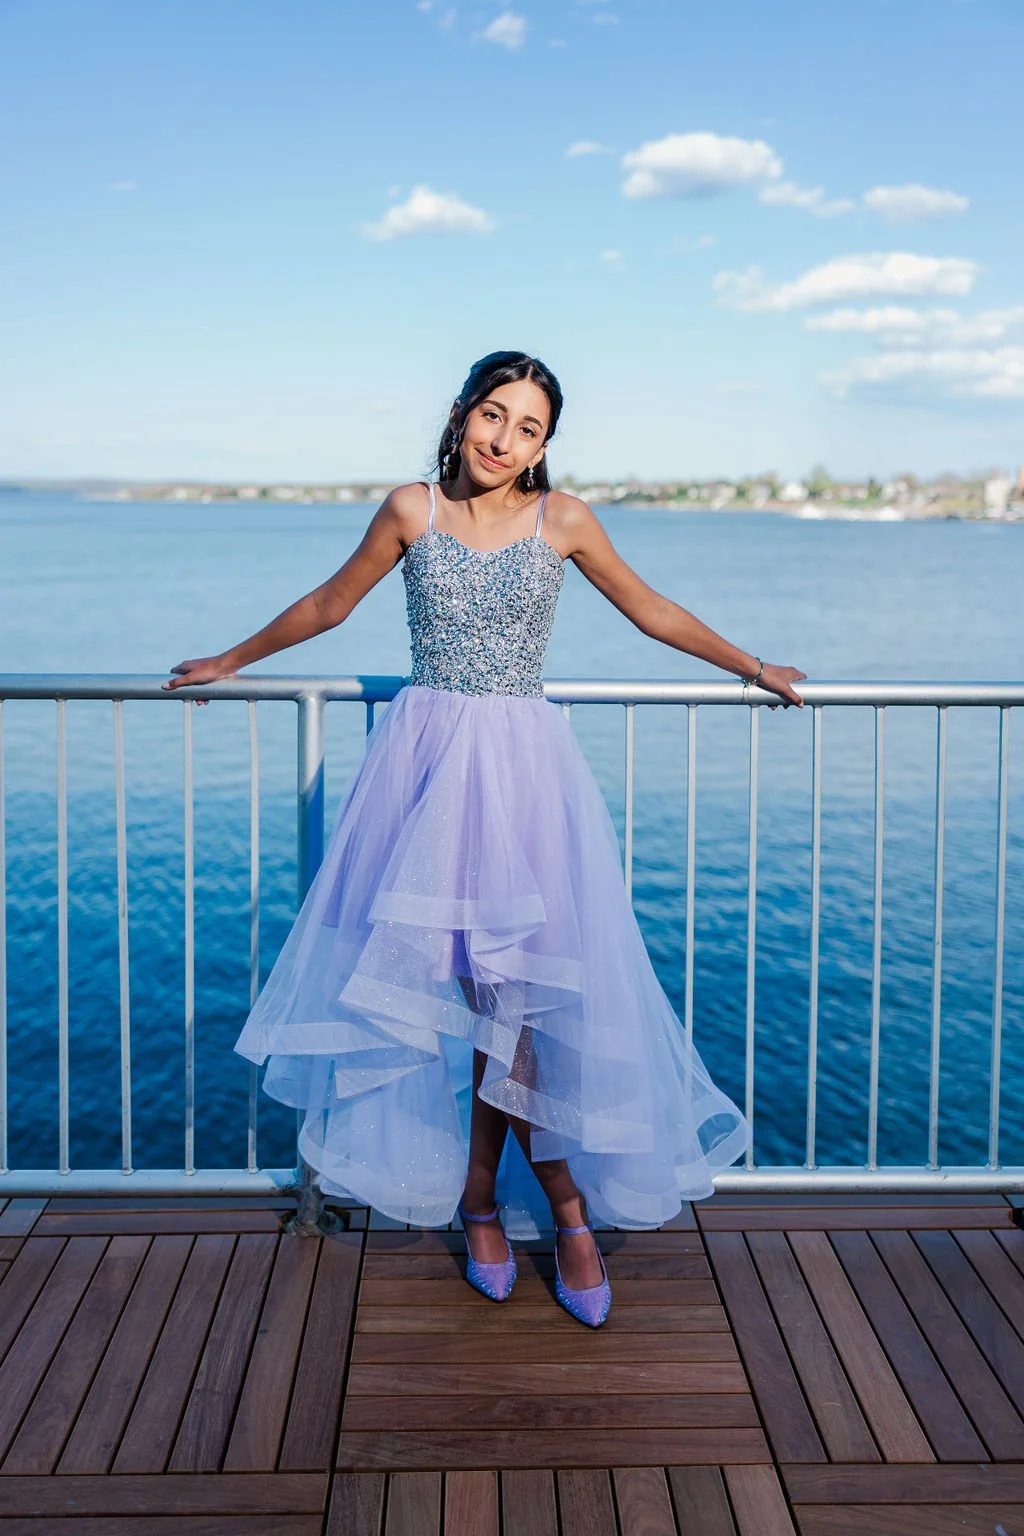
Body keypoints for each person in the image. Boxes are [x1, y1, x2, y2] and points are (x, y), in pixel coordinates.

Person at [164, 350, 806, 1328]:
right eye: (494, 416)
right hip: (424, 780)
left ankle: (518, 1205)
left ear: (547, 443)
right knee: (478, 1006)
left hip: (522, 779)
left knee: (522, 1010)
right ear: (463, 412)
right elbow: (331, 604)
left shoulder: (565, 519)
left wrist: (751, 664)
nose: (505, 441)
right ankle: (544, 1209)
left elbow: (650, 610)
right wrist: (229, 658)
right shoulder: (410, 509)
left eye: (530, 428)